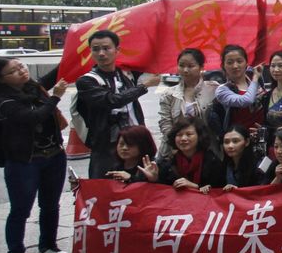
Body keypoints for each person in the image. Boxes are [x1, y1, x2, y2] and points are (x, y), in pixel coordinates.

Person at [0, 59, 70, 253]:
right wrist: (55, 97)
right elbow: (33, 117)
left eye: (21, 66)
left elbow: (58, 73)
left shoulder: (34, 88)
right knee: (20, 209)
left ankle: (48, 246)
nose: (21, 71)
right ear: (1, 79)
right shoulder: (3, 102)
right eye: (13, 71)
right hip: (25, 161)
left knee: (50, 204)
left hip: (54, 155)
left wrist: (75, 53)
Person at [76, 29, 159, 178]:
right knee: (105, 187)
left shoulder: (126, 74)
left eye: (106, 48)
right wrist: (144, 86)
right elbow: (111, 100)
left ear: (117, 50)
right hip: (106, 144)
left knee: (139, 185)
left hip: (134, 140)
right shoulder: (86, 81)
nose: (101, 53)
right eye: (96, 49)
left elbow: (151, 55)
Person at [158, 48, 218, 158]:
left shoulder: (214, 90)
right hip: (175, 152)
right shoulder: (169, 94)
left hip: (206, 152)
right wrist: (175, 144)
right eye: (181, 65)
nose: (185, 70)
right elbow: (165, 123)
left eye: (191, 66)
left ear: (201, 67)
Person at [141, 116, 223, 193]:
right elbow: (162, 190)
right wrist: (154, 179)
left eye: (189, 134)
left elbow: (219, 191)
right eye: (179, 135)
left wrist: (195, 187)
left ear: (200, 136)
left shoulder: (212, 161)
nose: (183, 139)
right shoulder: (168, 162)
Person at [208, 44, 267, 143]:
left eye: (239, 61)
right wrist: (255, 78)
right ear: (223, 66)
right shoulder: (222, 90)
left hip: (262, 137)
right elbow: (246, 100)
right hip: (238, 143)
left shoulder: (254, 77)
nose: (235, 66)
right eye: (230, 62)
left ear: (246, 63)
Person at [221, 125, 264, 189]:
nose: (230, 146)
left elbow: (262, 191)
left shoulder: (259, 165)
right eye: (226, 142)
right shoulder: (225, 165)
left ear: (247, 142)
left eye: (235, 141)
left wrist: (238, 190)